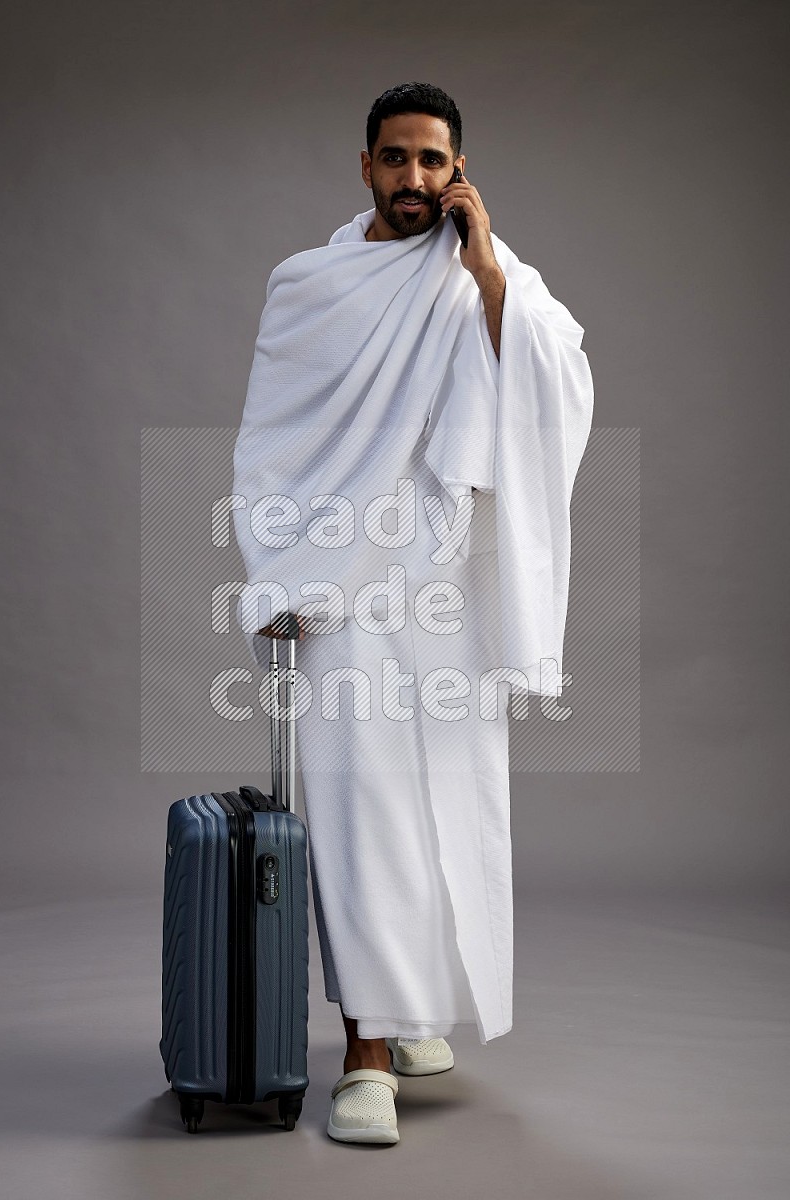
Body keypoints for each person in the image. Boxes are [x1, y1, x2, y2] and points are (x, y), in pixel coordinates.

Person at [231, 82, 594, 1145]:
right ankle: (364, 1053)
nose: (414, 182)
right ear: (364, 168)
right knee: (358, 811)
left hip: (442, 587)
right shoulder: (310, 285)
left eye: (434, 163)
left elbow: (552, 383)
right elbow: (272, 441)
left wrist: (484, 265)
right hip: (341, 588)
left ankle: (413, 1009)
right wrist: (277, 572)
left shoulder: (489, 277)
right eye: (396, 160)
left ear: (459, 171)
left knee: (448, 803)